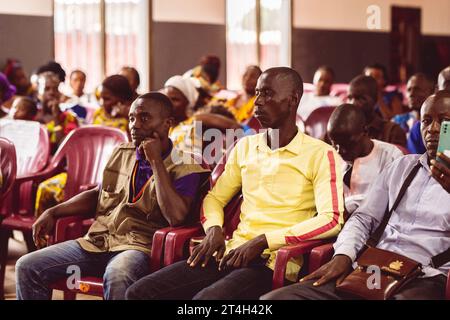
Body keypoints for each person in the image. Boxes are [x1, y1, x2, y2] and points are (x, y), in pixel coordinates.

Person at [125, 67, 344, 300]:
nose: (257, 101)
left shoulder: (320, 153)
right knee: (139, 292)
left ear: (292, 100)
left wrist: (264, 241)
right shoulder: (245, 146)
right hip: (230, 251)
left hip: (270, 262)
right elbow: (215, 198)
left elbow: (331, 219)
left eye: (267, 94)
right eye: (257, 93)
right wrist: (214, 229)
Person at [15, 92, 210, 300]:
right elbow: (99, 194)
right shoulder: (122, 153)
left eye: (144, 118)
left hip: (139, 247)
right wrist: (53, 211)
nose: (134, 125)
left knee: (118, 274)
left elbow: (176, 217)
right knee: (27, 266)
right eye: (132, 118)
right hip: (99, 241)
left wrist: (156, 163)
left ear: (167, 123)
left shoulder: (186, 166)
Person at [262, 90, 450, 300]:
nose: (432, 129)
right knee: (275, 300)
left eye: (444, 122)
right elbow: (364, 218)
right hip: (376, 267)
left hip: (427, 276)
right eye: (426, 121)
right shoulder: (403, 166)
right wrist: (344, 254)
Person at [327, 104, 403, 217]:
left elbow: (395, 203)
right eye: (335, 144)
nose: (339, 151)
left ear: (365, 131)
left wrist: (349, 206)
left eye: (347, 144)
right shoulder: (331, 158)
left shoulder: (391, 157)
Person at [347, 75, 406, 147]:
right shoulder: (345, 130)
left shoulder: (392, 132)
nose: (352, 103)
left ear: (375, 99)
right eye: (350, 98)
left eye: (360, 98)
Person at [405, 73, 435, 154]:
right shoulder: (399, 122)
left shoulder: (443, 124)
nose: (411, 94)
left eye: (417, 89)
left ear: (432, 91)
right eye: (408, 90)